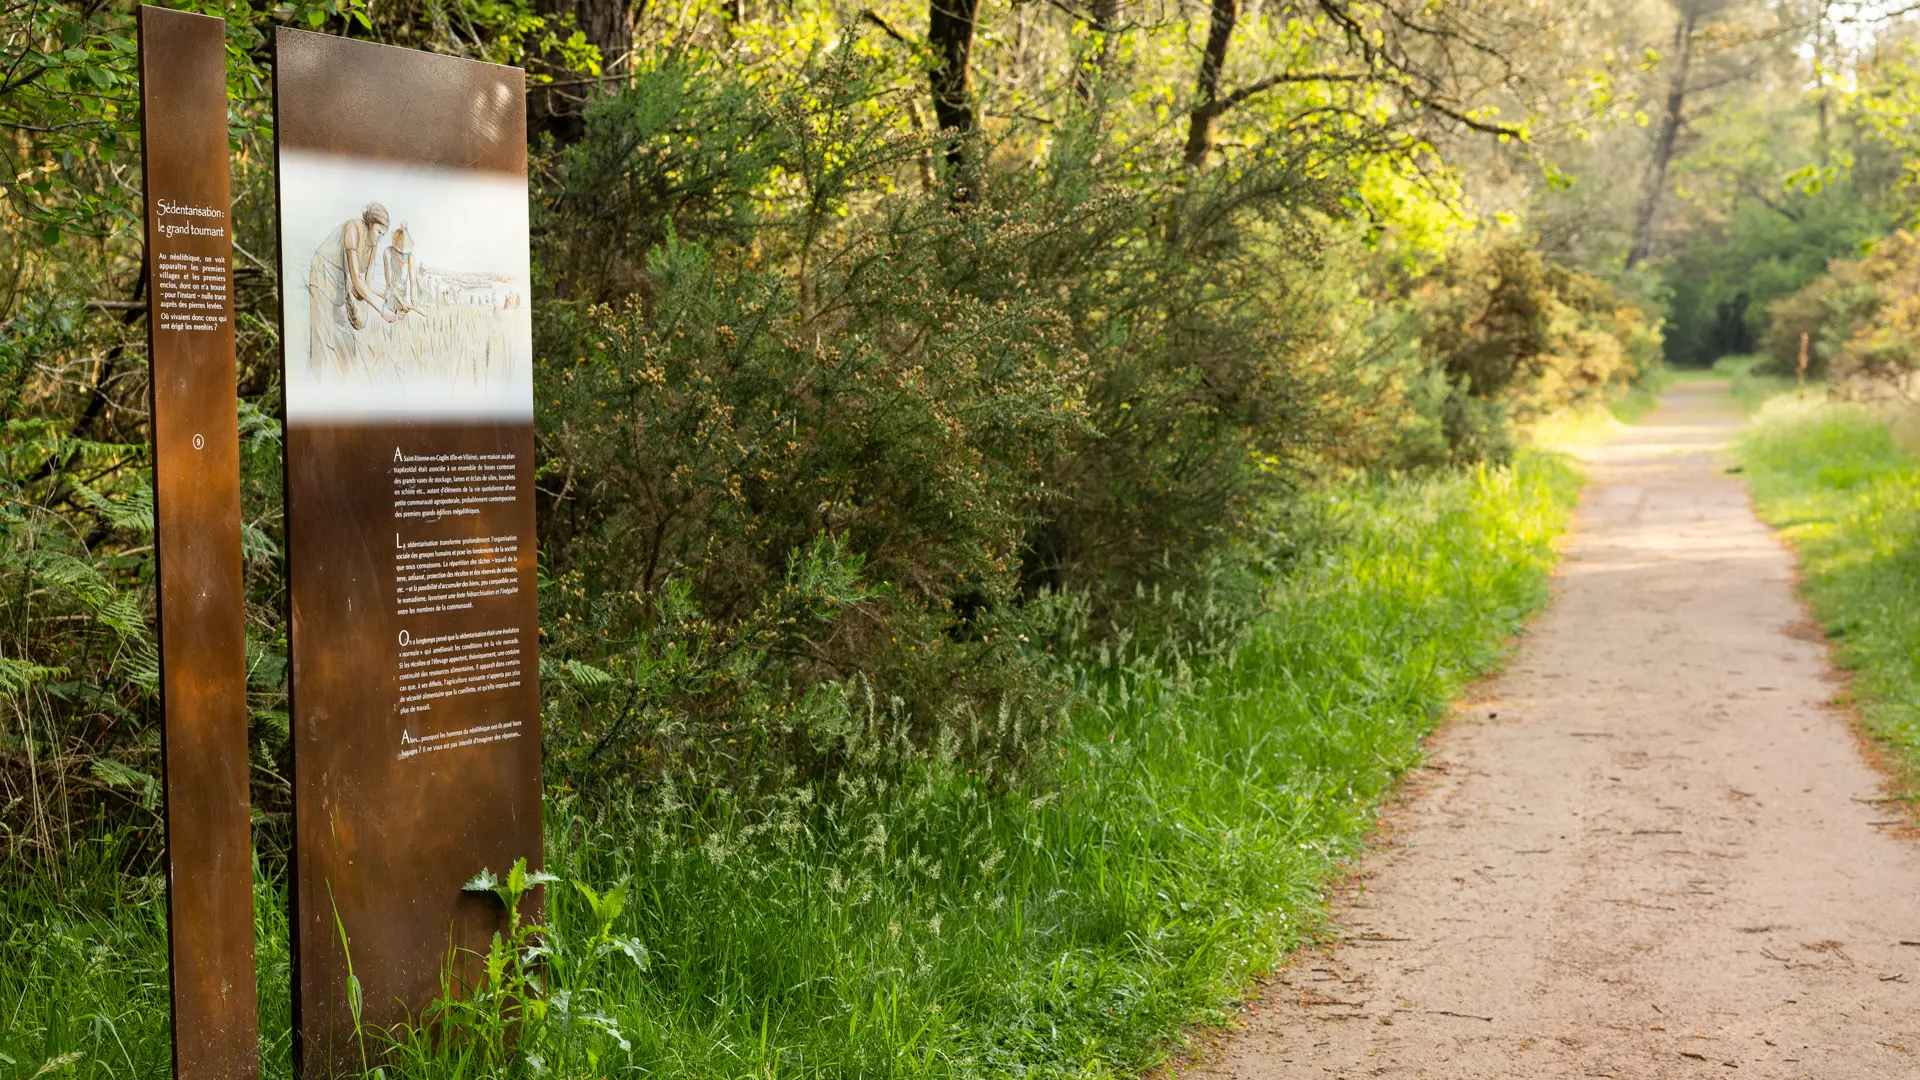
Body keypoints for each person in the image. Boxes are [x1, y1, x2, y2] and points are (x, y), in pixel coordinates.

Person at [307, 203, 390, 377]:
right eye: (379, 232)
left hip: (340, 282)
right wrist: (381, 310)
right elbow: (355, 279)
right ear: (369, 224)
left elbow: (368, 282)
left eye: (384, 234)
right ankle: (317, 380)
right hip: (323, 273)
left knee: (343, 338)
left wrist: (385, 294)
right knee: (321, 333)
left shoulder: (374, 245)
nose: (380, 237)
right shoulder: (353, 229)